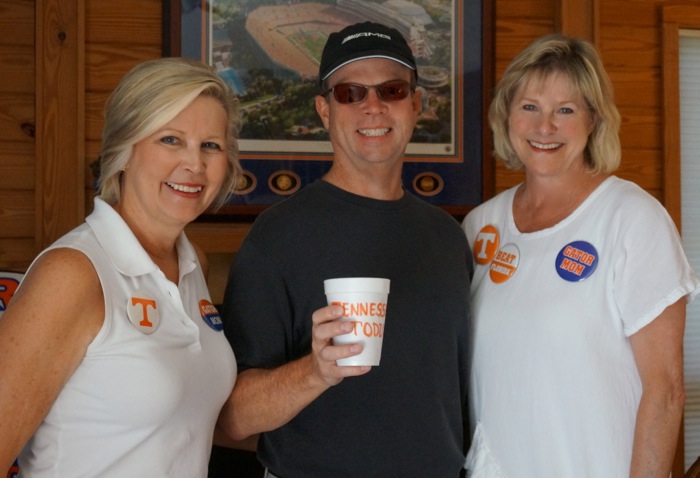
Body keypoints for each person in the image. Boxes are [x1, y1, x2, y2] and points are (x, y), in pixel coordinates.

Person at [218, 21, 471, 477]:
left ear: (415, 103)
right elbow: (234, 416)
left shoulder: (449, 238)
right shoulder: (277, 237)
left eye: (391, 90)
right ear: (323, 110)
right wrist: (315, 371)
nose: (372, 107)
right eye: (350, 93)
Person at [462, 33, 700, 477]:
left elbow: (665, 390)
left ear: (594, 120)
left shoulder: (631, 219)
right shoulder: (480, 227)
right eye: (529, 106)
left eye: (565, 110)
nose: (544, 126)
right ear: (506, 116)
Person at [0, 57, 242, 477]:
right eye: (170, 139)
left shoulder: (191, 264)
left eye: (211, 145)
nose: (195, 165)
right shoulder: (73, 273)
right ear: (125, 150)